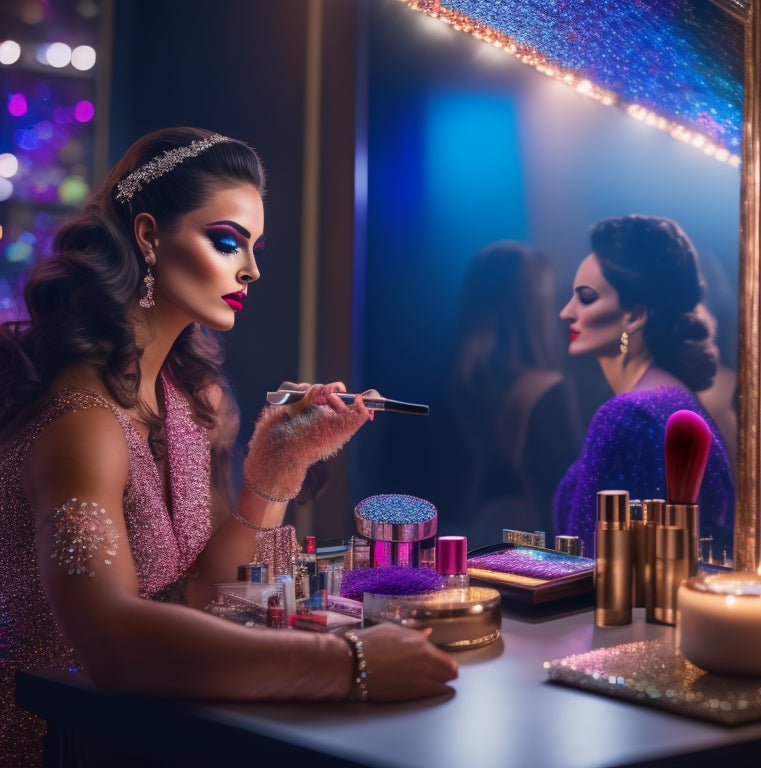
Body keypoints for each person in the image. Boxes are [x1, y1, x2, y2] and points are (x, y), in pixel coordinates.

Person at [0, 127, 458, 767]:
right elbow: (110, 638)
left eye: (255, 247)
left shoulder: (182, 400)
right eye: (226, 242)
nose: (251, 269)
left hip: (141, 732)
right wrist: (347, 662)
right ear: (150, 237)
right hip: (54, 744)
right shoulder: (81, 422)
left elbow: (205, 591)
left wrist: (276, 470)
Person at [553, 214, 734, 558]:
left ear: (634, 316)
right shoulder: (673, 397)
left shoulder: (627, 415)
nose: (566, 312)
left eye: (586, 298)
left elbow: (589, 564)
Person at [445, 241, 582, 547]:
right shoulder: (549, 390)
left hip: (468, 536)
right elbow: (568, 499)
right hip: (528, 544)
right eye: (548, 302)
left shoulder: (457, 382)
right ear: (532, 311)